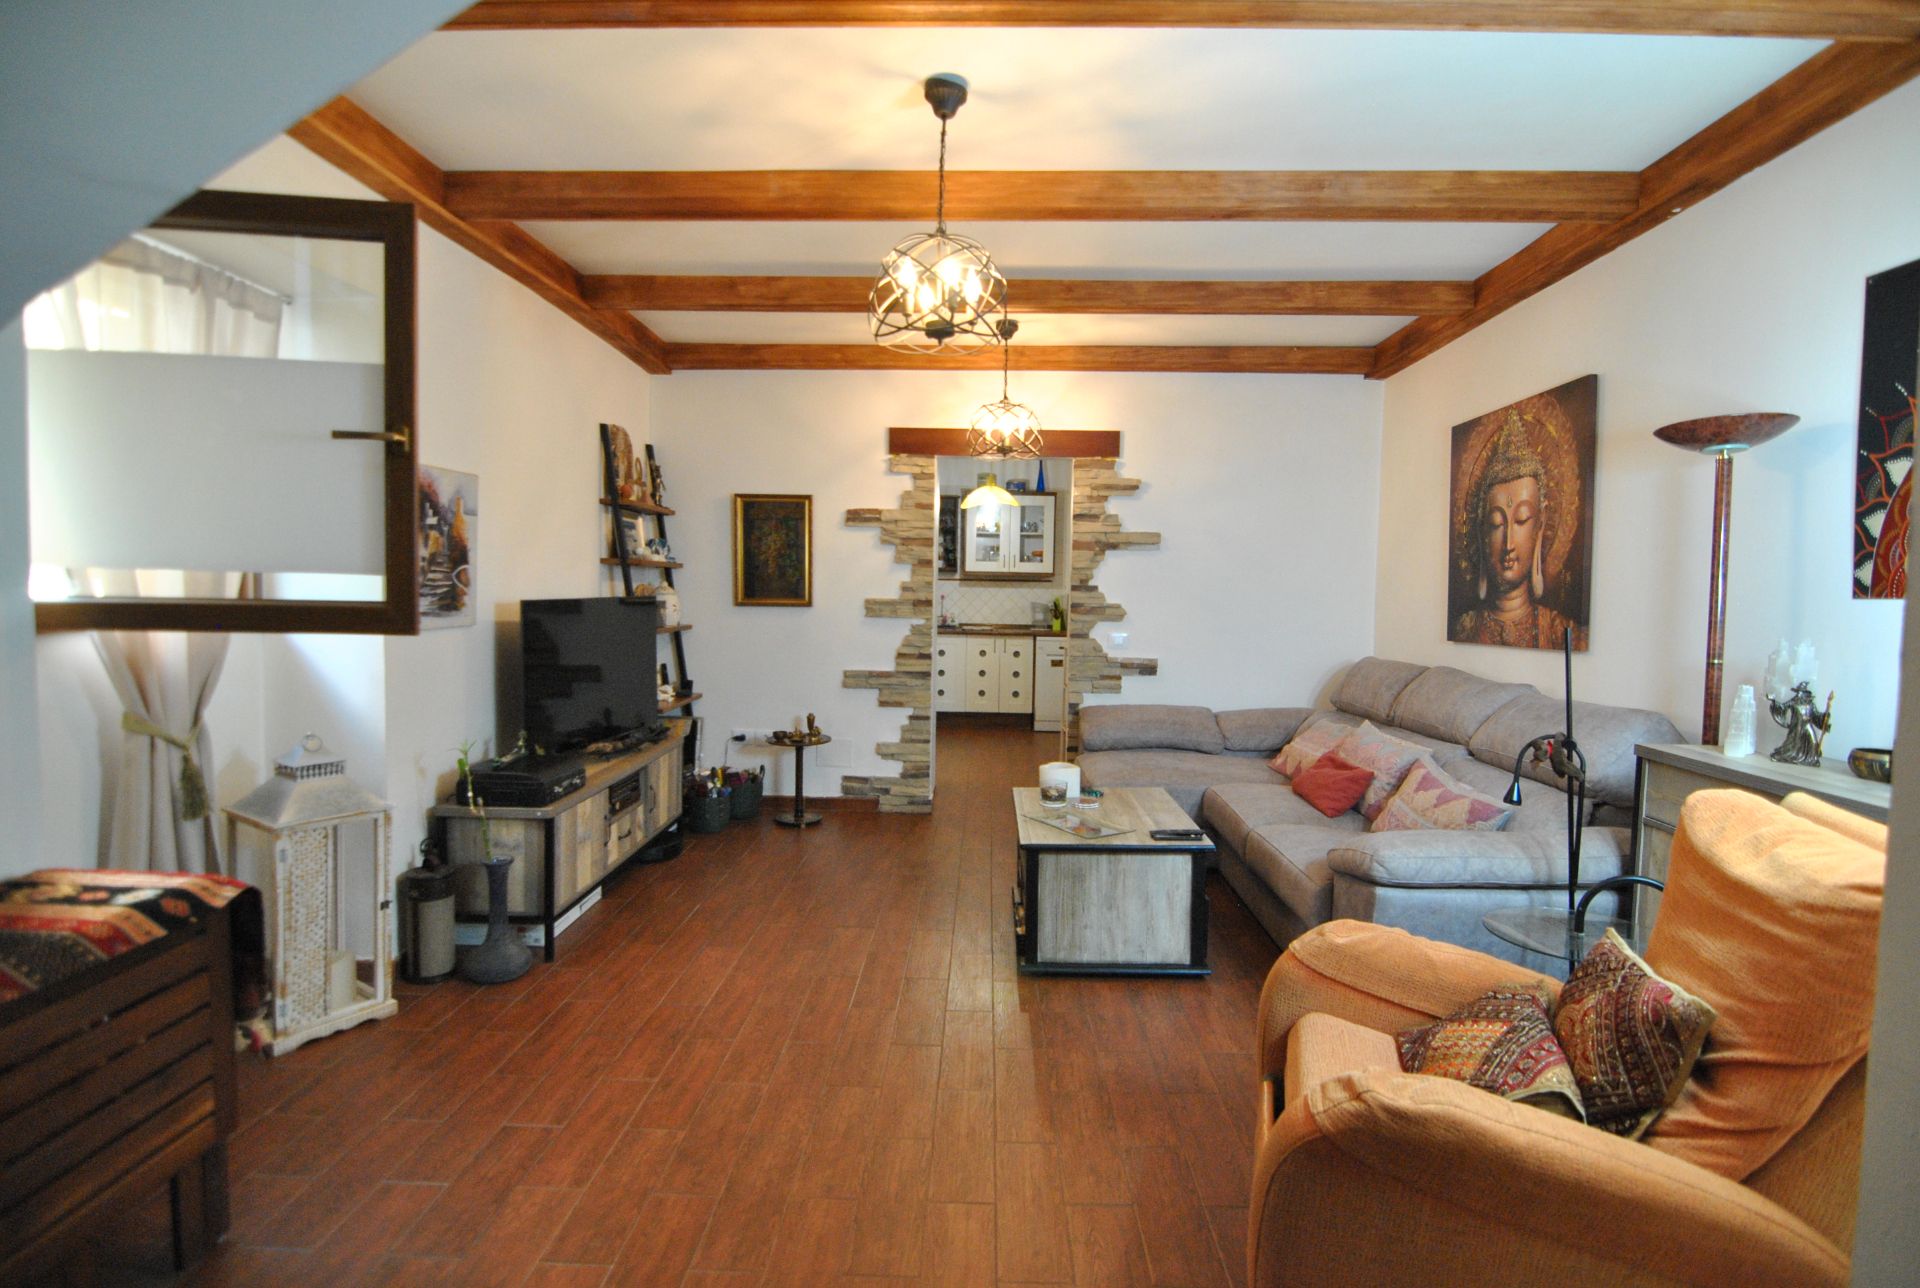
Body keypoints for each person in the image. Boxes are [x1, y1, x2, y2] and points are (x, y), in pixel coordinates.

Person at [1452, 414, 1588, 649]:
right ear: (1482, 531)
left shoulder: (1562, 633)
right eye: (1496, 523)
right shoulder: (1464, 629)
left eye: (1522, 520)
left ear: (1540, 525)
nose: (1508, 544)